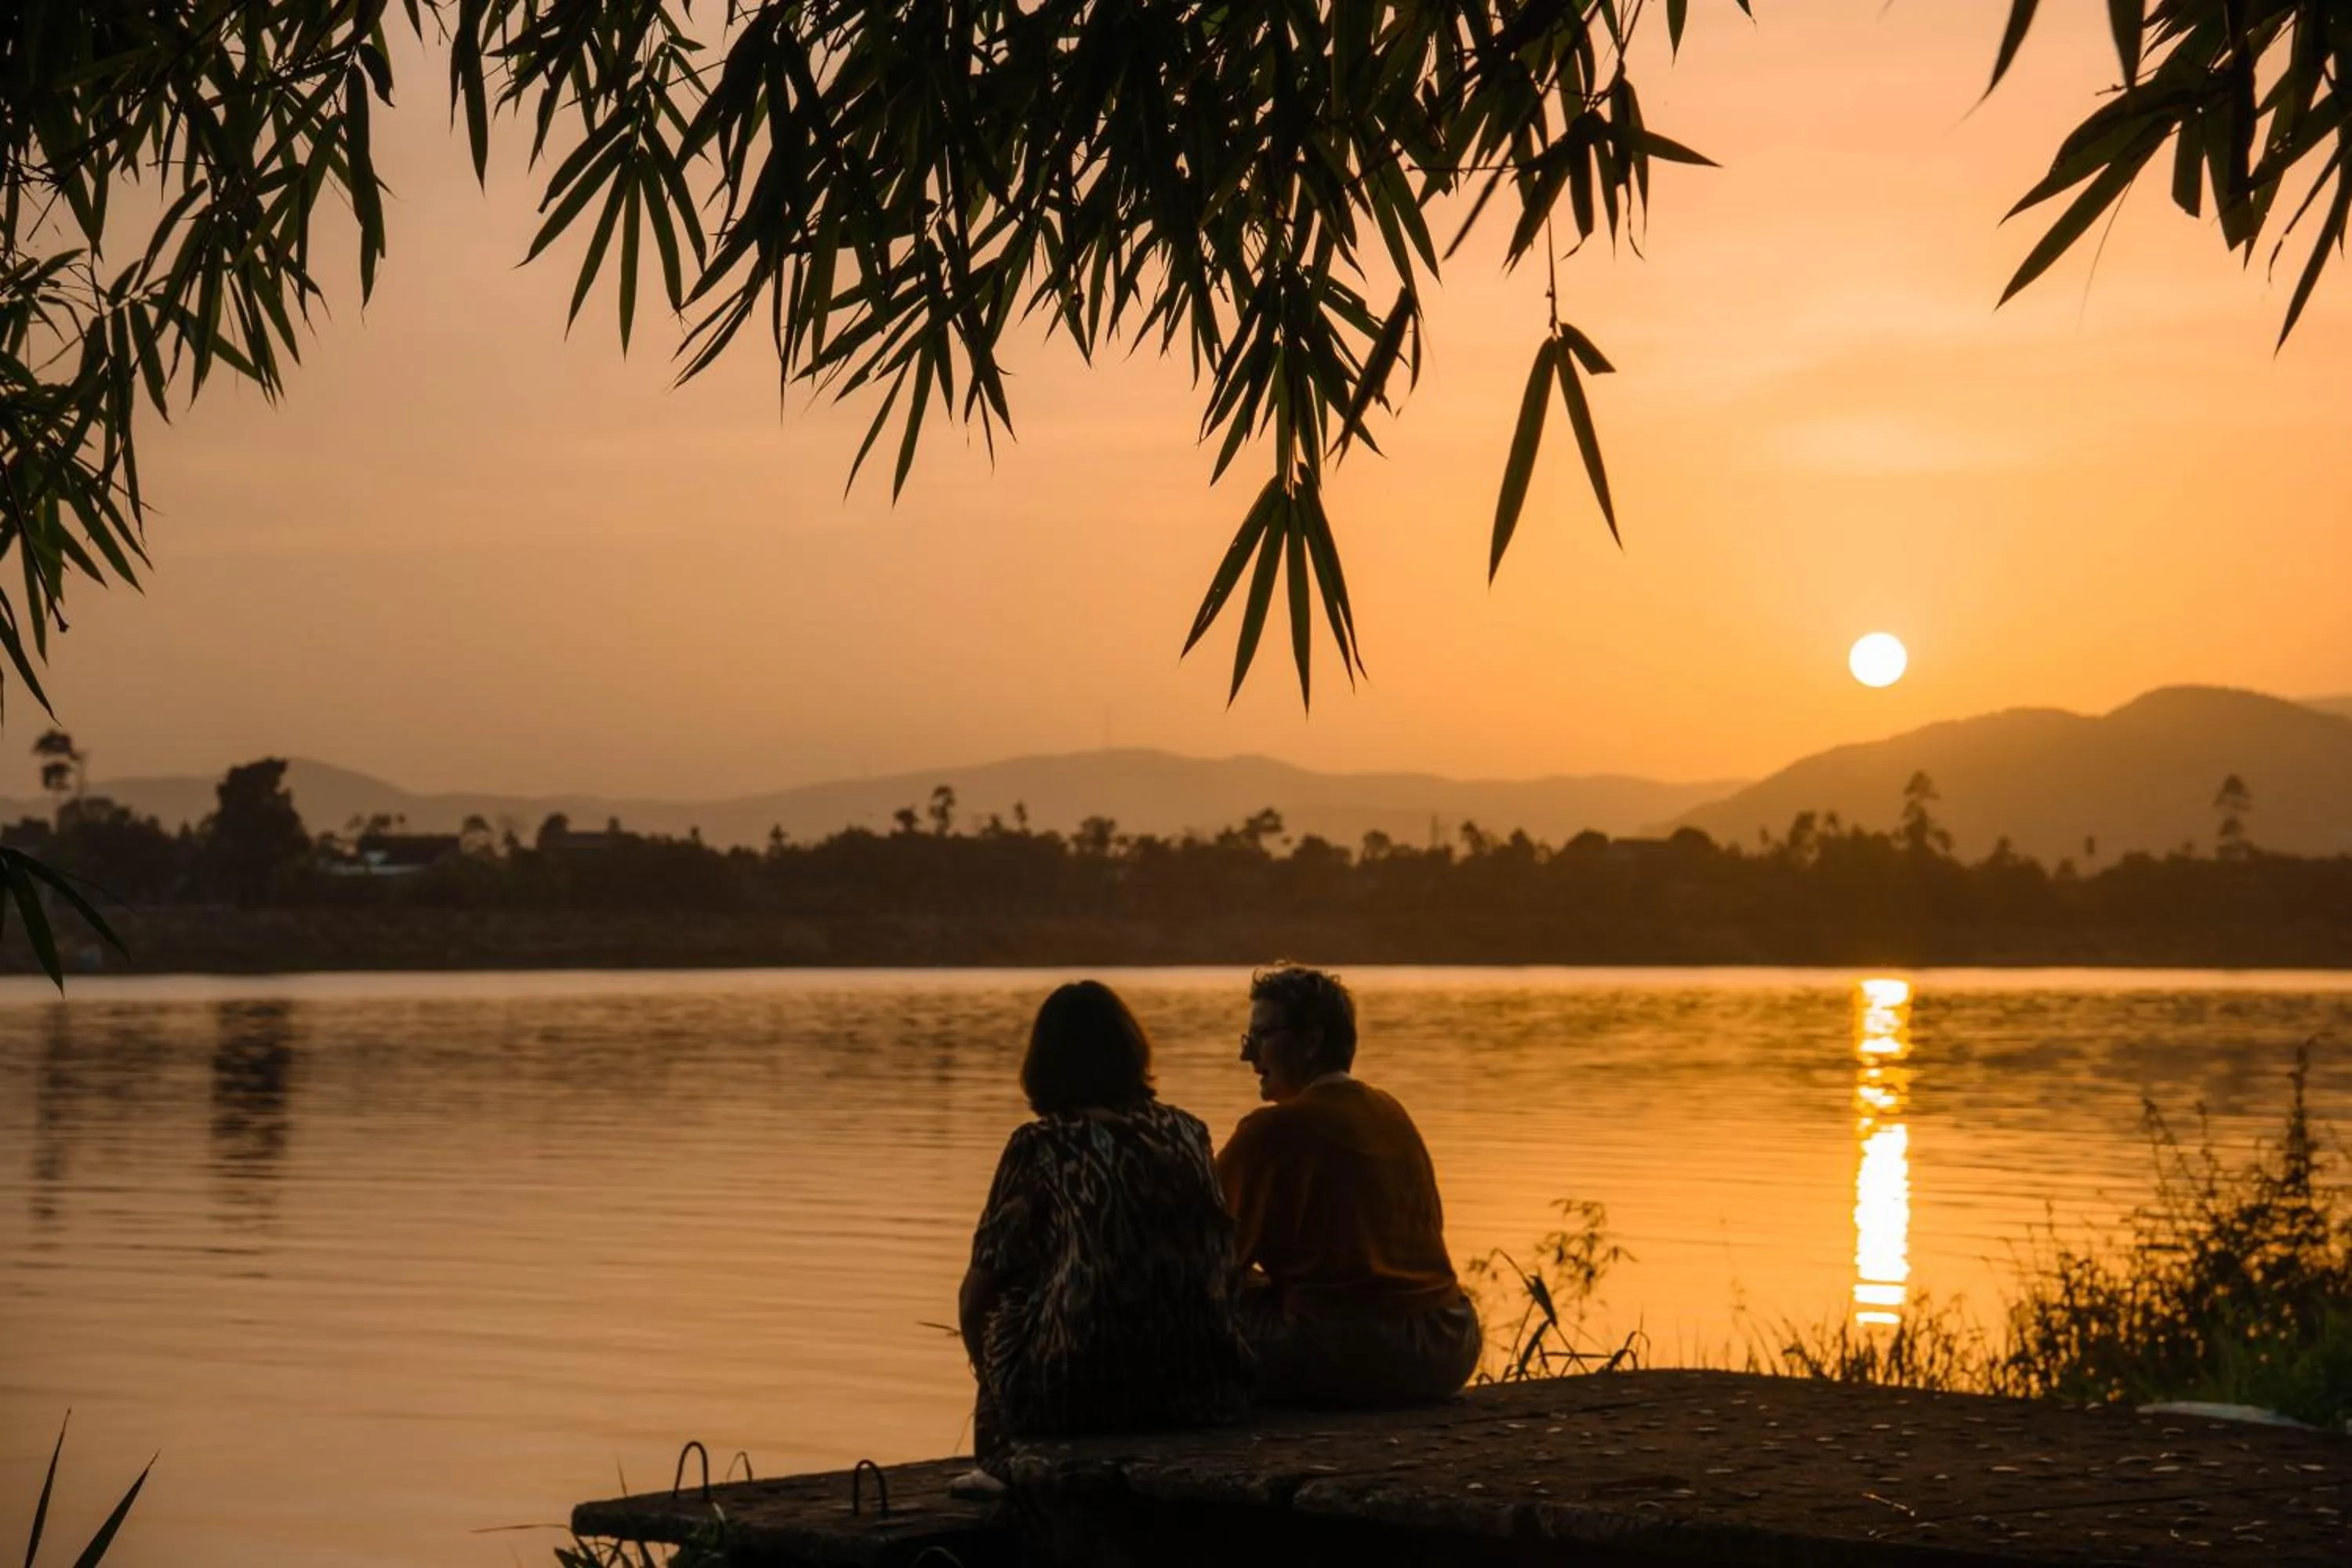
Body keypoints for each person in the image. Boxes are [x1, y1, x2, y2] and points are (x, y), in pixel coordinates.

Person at [959, 981, 1251, 1460]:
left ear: (1043, 1062)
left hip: (1079, 1398)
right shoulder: (1188, 1131)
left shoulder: (1040, 1144)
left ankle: (1000, 1469)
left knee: (1006, 1303)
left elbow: (976, 1295)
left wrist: (990, 1381)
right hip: (1209, 1388)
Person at [1217, 964, 1483, 1406]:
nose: (1249, 1056)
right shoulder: (1390, 1111)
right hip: (1449, 1342)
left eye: (1263, 1037)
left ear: (1312, 1041)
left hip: (1351, 1354)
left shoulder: (1272, 1131)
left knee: (1185, 1296)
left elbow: (1204, 1258)